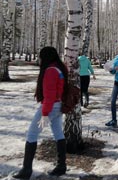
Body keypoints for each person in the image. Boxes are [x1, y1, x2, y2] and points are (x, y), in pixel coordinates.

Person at [13, 46, 68, 179]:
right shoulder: (60, 68)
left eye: (41, 56)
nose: (40, 58)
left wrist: (44, 113)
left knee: (31, 134)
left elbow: (49, 94)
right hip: (58, 104)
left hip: (50, 106)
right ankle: (61, 166)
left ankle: (26, 170)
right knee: (58, 133)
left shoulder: (50, 71)